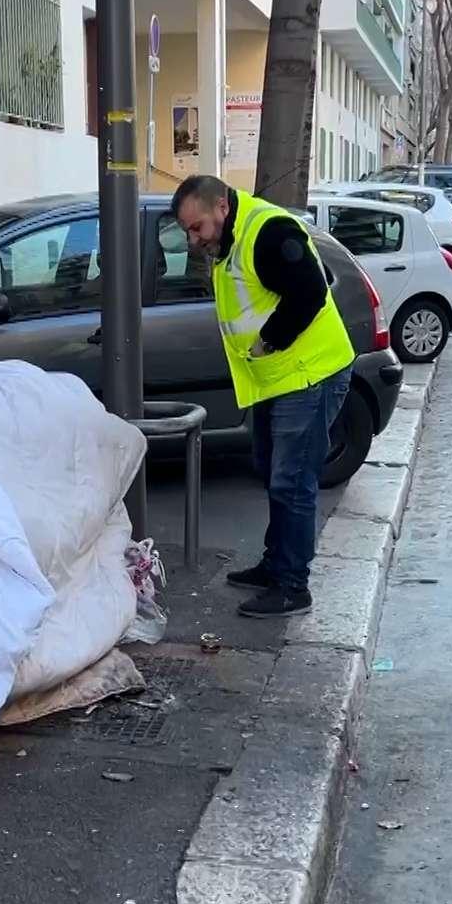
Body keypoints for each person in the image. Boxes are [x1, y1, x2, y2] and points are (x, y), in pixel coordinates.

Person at [171, 176, 355, 619]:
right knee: (273, 474)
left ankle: (293, 586)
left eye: (197, 228)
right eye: (187, 232)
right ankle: (276, 565)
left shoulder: (267, 230)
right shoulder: (232, 238)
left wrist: (270, 340)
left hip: (310, 375)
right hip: (278, 380)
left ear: (220, 206)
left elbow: (311, 289)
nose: (193, 240)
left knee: (292, 482)